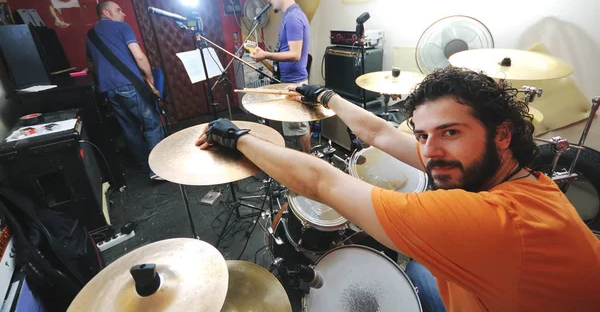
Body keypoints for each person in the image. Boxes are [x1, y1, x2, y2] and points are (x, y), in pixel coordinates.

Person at [196, 67, 600, 311]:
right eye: (423, 135)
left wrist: (239, 138)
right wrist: (327, 97)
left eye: (451, 132)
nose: (431, 151)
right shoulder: (525, 180)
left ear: (502, 135)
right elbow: (379, 132)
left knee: (421, 270)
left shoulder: (486, 220)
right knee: (423, 270)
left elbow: (322, 180)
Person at [86, 1, 165, 181]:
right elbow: (138, 55)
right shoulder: (122, 27)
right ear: (106, 13)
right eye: (118, 10)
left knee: (129, 129)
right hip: (129, 86)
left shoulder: (90, 35)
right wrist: (150, 77)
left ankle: (144, 166)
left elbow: (91, 64)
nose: (123, 14)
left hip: (108, 90)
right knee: (152, 124)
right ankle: (158, 169)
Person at [249, 0, 312, 153]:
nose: (268, 0)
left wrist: (266, 55)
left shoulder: (293, 18)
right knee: (296, 127)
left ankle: (307, 166)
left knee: (298, 128)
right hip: (289, 81)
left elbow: (294, 54)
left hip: (294, 83)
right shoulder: (291, 15)